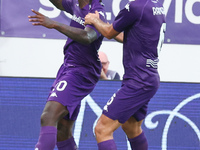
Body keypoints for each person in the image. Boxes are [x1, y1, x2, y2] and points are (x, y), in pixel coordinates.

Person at [84, 0, 166, 149]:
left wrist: (95, 21)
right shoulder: (157, 6)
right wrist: (104, 25)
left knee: (102, 129)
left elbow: (109, 33)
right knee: (131, 127)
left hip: (138, 81)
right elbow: (125, 37)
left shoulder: (135, 7)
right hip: (149, 78)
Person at [28, 0, 106, 149]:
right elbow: (59, 3)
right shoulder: (77, 3)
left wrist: (55, 24)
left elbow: (88, 36)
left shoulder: (97, 11)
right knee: (62, 130)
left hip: (81, 70)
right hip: (69, 67)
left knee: (48, 116)